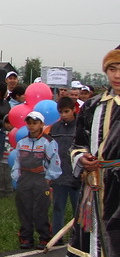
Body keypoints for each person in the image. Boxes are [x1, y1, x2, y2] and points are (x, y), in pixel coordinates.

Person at [61, 49, 120, 257]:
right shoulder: (93, 106)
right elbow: (78, 143)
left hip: (119, 197)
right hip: (93, 193)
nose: (118, 75)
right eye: (113, 68)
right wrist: (82, 158)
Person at [11, 111, 62, 249]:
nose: (32, 126)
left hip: (41, 178)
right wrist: (16, 176)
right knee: (24, 208)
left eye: (35, 123)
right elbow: (17, 162)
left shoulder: (49, 142)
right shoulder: (22, 142)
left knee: (40, 209)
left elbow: (55, 162)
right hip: (25, 178)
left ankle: (44, 237)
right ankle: (26, 237)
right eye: (29, 123)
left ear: (41, 124)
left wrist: (49, 178)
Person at [49, 97, 81, 235]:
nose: (63, 115)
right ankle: (57, 234)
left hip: (76, 175)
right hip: (59, 175)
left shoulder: (81, 126)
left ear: (74, 109)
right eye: (60, 112)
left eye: (66, 111)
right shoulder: (55, 127)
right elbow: (50, 150)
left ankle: (79, 237)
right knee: (58, 207)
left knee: (78, 209)